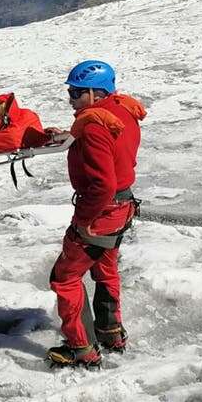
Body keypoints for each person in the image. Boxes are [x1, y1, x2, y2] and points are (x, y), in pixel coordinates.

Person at [47, 59, 146, 368]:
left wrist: (84, 221)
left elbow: (103, 184)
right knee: (105, 269)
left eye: (76, 93)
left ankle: (81, 348)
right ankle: (110, 331)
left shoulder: (93, 127)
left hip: (102, 211)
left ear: (94, 92)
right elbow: (111, 143)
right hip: (122, 207)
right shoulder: (121, 111)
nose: (71, 99)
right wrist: (70, 135)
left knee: (65, 277)